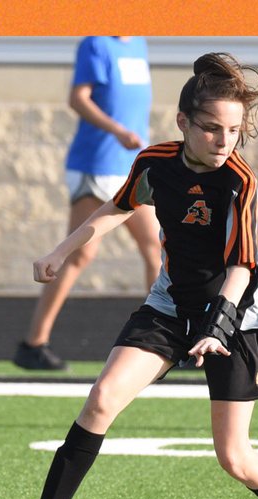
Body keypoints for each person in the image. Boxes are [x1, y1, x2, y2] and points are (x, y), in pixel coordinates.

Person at [0, 52, 258, 499]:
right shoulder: (155, 161)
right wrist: (60, 251)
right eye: (211, 129)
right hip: (172, 299)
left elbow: (242, 267)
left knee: (235, 458)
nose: (224, 141)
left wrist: (216, 327)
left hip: (236, 307)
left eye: (234, 131)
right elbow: (118, 206)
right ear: (182, 122)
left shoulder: (238, 182)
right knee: (102, 397)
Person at [14, 37, 162, 372]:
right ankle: (33, 343)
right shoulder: (96, 45)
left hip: (132, 165)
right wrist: (117, 131)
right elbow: (77, 99)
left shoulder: (138, 45)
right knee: (79, 253)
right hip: (96, 164)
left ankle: (162, 340)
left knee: (155, 246)